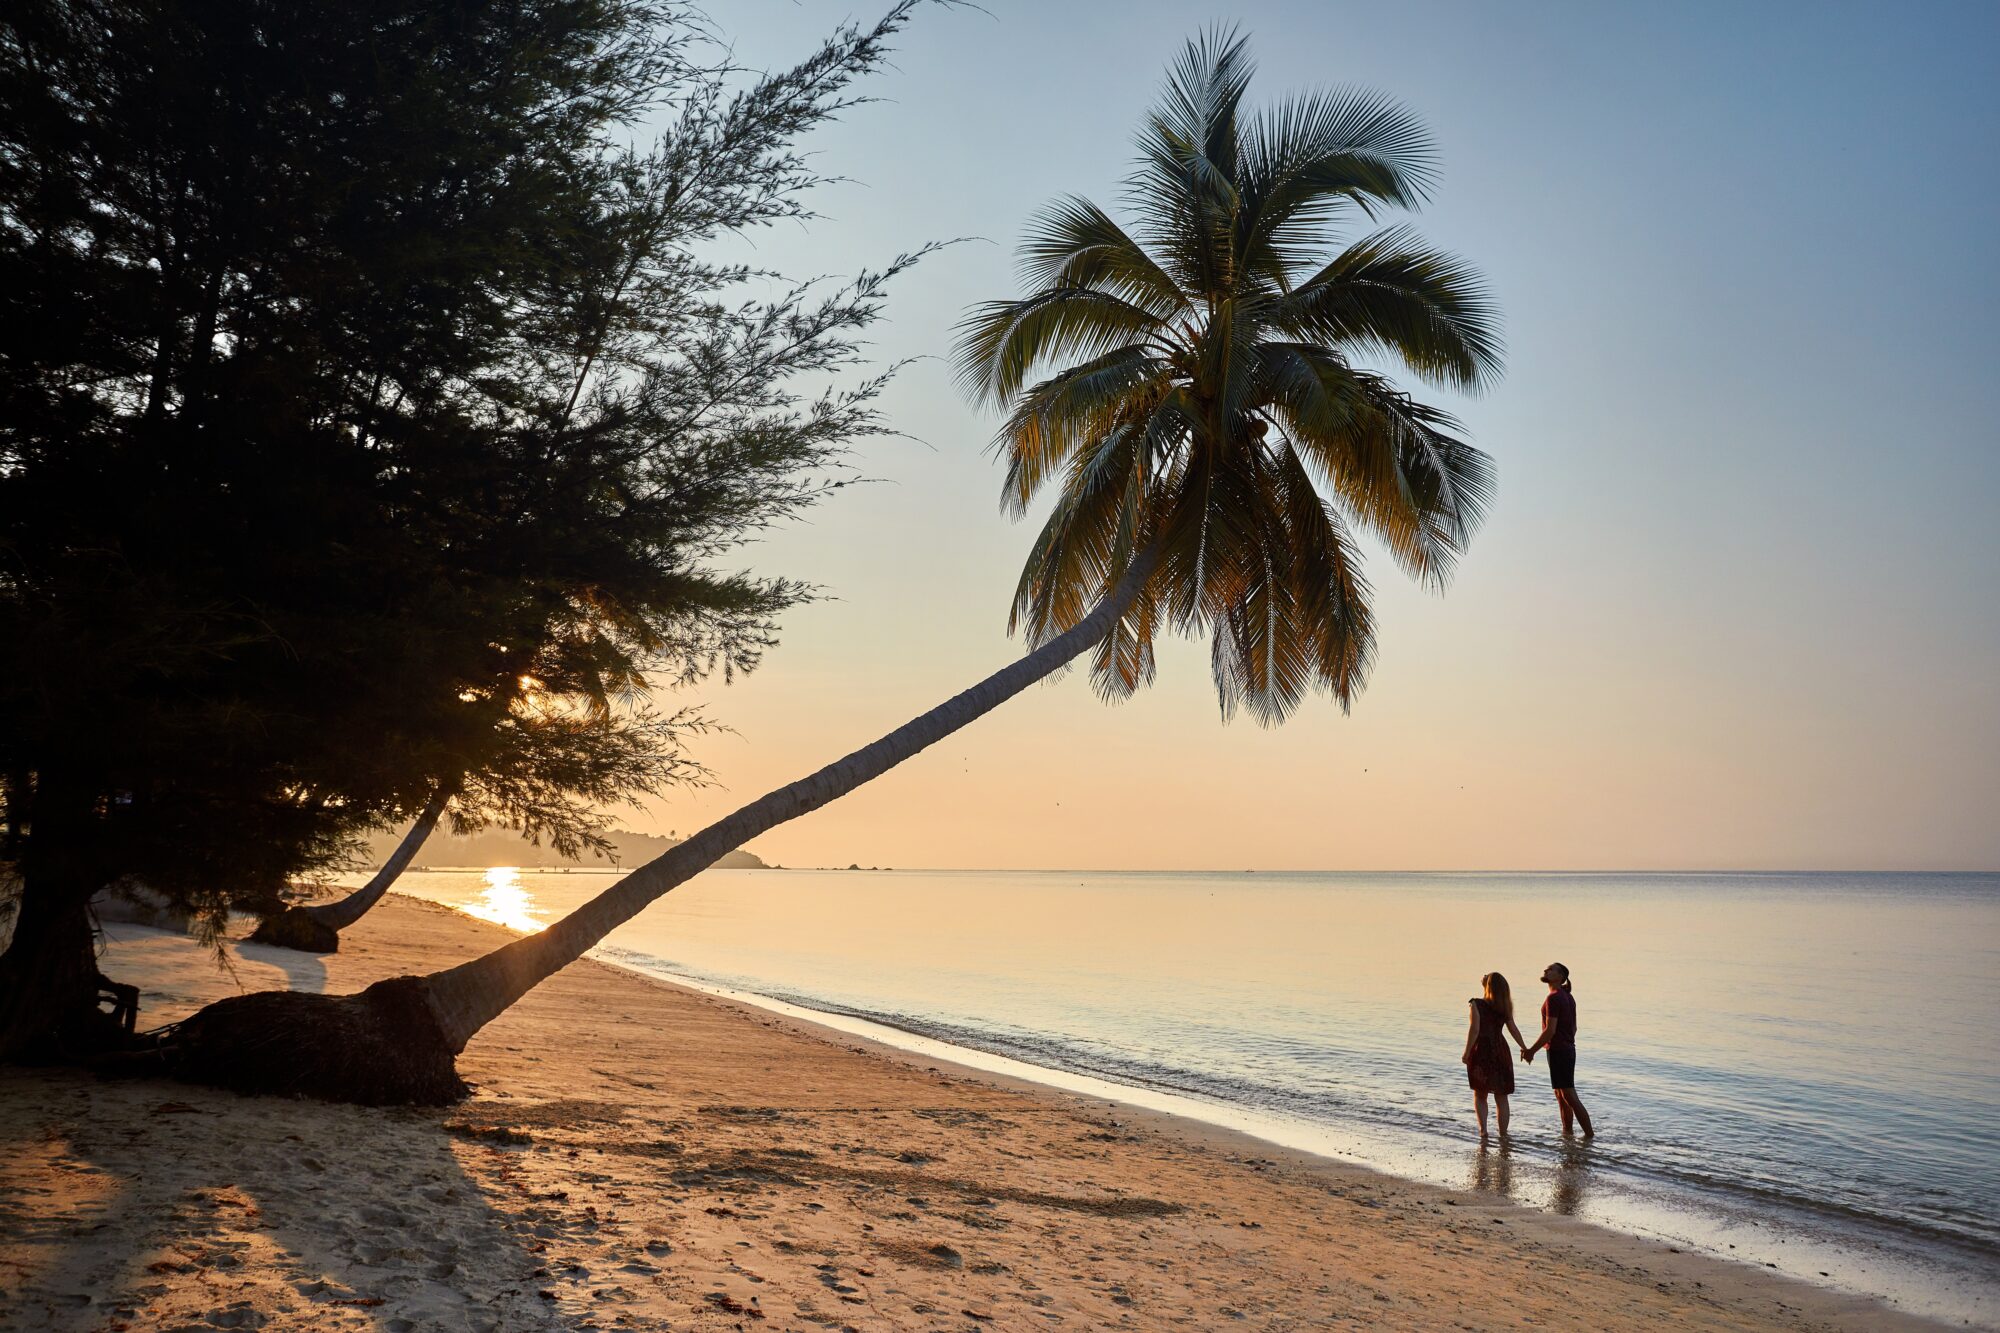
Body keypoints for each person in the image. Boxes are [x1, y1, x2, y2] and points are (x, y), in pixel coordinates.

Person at [1522, 961, 1595, 1137]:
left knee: (1569, 1095)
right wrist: (1565, 1042)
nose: (1546, 970)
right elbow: (1574, 1028)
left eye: (1551, 969)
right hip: (1566, 1050)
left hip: (1559, 1051)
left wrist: (1531, 1050)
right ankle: (1567, 1135)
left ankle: (1589, 1136)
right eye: (1546, 968)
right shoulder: (1568, 997)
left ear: (1561, 977)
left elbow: (1550, 1030)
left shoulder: (1553, 998)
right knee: (1561, 1095)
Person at [1462, 972, 1527, 1142]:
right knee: (1501, 1096)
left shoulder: (1476, 1004)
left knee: (1480, 1094)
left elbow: (1474, 1030)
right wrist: (1524, 1047)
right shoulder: (1504, 1007)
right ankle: (1503, 1134)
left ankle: (1483, 1131)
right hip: (1500, 1051)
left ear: (1487, 986)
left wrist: (1467, 1051)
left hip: (1482, 1051)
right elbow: (1513, 1029)